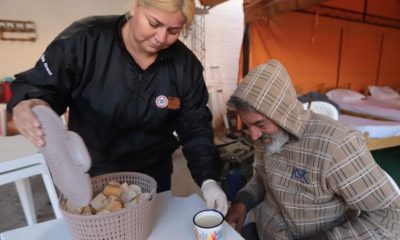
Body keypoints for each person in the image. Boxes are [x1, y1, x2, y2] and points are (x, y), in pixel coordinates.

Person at [7, 0, 227, 214]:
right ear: (134, 7)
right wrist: (29, 102)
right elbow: (39, 85)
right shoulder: (86, 40)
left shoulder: (184, 65)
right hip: (90, 170)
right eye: (154, 23)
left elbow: (196, 126)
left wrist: (208, 179)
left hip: (153, 174)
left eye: (174, 30)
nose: (161, 38)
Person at [225, 59, 400, 239]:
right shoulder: (266, 137)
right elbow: (262, 178)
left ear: (283, 114)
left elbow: (391, 217)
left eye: (260, 124)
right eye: (248, 125)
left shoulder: (336, 145)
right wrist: (242, 202)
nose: (254, 136)